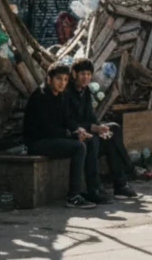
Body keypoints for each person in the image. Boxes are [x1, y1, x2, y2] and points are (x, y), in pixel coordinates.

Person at [23, 64, 98, 209]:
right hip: (37, 142)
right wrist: (72, 135)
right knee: (79, 147)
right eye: (58, 79)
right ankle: (73, 196)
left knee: (88, 141)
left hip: (52, 139)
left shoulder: (61, 95)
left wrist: (78, 130)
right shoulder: (41, 96)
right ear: (49, 79)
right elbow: (47, 129)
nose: (62, 83)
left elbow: (68, 119)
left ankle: (92, 190)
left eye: (65, 79)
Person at [65, 58, 138, 200]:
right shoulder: (67, 93)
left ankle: (120, 186)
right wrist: (93, 128)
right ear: (74, 74)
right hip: (74, 134)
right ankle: (94, 189)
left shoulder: (85, 91)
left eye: (88, 74)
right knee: (93, 141)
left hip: (88, 129)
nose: (85, 77)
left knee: (113, 130)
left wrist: (100, 127)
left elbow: (91, 117)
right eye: (82, 74)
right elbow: (69, 121)